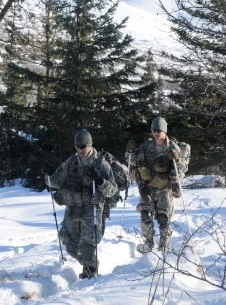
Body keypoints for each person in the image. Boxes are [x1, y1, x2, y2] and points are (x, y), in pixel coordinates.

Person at [41, 129, 116, 279]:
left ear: (90, 145)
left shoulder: (100, 163)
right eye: (77, 147)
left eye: (83, 147)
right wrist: (48, 174)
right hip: (73, 206)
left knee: (87, 244)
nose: (80, 150)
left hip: (92, 207)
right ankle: (90, 262)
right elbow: (55, 182)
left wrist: (100, 180)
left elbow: (112, 190)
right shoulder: (71, 162)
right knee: (70, 244)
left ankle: (90, 272)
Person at [126, 117, 184, 252]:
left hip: (165, 188)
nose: (156, 133)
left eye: (158, 130)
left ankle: (163, 244)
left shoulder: (172, 148)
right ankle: (148, 242)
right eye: (154, 130)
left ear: (164, 131)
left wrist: (177, 159)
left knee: (163, 218)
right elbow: (134, 163)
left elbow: (180, 168)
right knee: (145, 214)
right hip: (148, 186)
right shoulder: (147, 146)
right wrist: (130, 152)